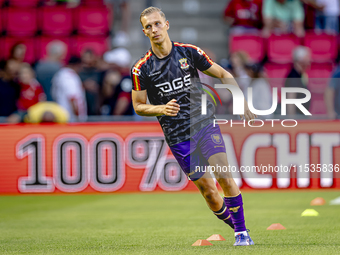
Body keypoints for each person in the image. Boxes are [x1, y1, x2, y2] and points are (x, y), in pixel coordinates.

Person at [131, 7, 256, 246]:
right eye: (148, 26)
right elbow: (138, 105)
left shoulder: (188, 52)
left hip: (204, 124)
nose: (154, 29)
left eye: (157, 24)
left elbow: (223, 73)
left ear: (166, 25)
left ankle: (241, 234)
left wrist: (240, 101)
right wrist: (160, 108)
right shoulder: (141, 68)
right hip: (178, 137)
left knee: (224, 176)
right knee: (209, 192)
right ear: (144, 31)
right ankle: (239, 227)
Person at [51, 56, 87, 122]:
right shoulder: (69, 76)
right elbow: (72, 97)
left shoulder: (60, 74)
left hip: (62, 113)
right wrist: (77, 116)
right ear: (77, 65)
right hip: (71, 116)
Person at [284, 46, 311, 115]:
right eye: (307, 59)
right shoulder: (293, 77)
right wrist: (292, 121)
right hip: (297, 118)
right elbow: (290, 102)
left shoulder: (300, 75)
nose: (309, 63)